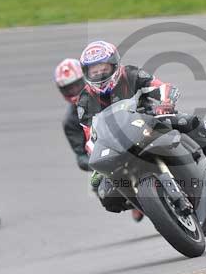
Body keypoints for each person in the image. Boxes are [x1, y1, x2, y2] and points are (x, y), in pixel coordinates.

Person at [76, 40, 206, 214]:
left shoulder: (130, 74)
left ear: (114, 65)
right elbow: (89, 135)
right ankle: (148, 205)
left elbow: (160, 87)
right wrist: (96, 160)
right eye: (94, 71)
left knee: (193, 123)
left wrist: (165, 102)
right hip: (118, 143)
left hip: (151, 120)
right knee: (105, 193)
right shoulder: (85, 100)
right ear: (87, 73)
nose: (100, 74)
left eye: (103, 69)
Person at [54, 58, 144, 222]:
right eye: (68, 88)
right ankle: (139, 204)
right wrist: (93, 161)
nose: (74, 90)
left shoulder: (111, 88)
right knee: (99, 188)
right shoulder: (70, 122)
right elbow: (80, 155)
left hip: (134, 131)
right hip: (108, 153)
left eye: (76, 85)